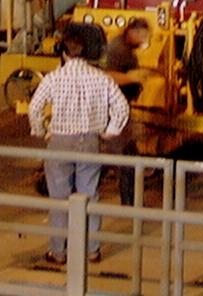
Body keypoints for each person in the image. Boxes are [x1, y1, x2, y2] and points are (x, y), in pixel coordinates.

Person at [27, 24, 130, 266]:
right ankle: (92, 250)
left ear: (64, 52)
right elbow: (121, 107)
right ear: (85, 53)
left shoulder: (54, 78)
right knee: (89, 196)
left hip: (60, 140)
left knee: (60, 199)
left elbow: (34, 108)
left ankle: (58, 252)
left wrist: (41, 130)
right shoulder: (100, 78)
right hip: (90, 141)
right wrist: (110, 131)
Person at [103, 17, 151, 206]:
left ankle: (129, 200)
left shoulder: (126, 48)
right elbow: (109, 75)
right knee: (124, 156)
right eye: (142, 36)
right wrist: (133, 78)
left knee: (125, 155)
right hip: (115, 109)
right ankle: (129, 202)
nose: (143, 41)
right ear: (133, 32)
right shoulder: (118, 49)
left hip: (121, 109)